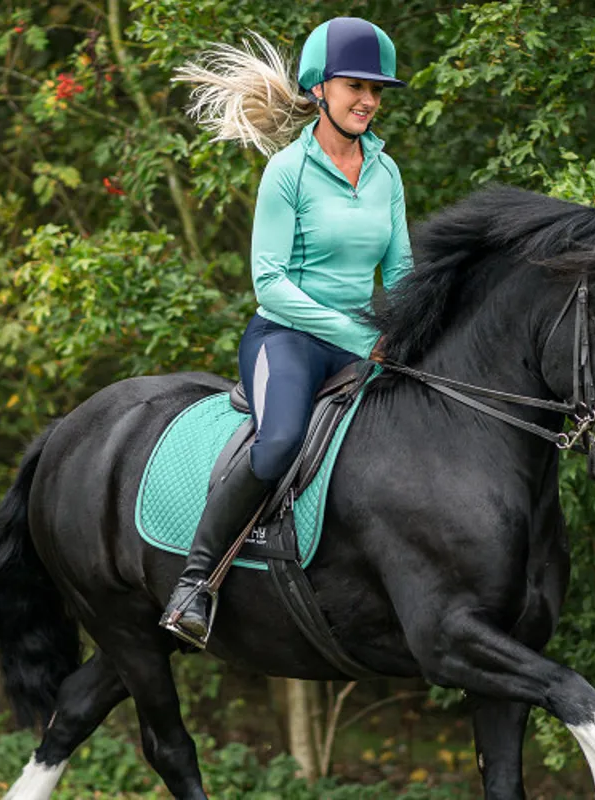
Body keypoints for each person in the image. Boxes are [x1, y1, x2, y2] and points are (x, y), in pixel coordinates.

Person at [160, 17, 412, 645]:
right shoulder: (287, 172)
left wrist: (414, 326)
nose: (369, 101)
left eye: (377, 90)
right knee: (278, 444)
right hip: (287, 339)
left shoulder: (386, 172)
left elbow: (402, 269)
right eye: (356, 85)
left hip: (366, 341)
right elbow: (270, 284)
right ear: (319, 89)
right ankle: (195, 583)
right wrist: (361, 337)